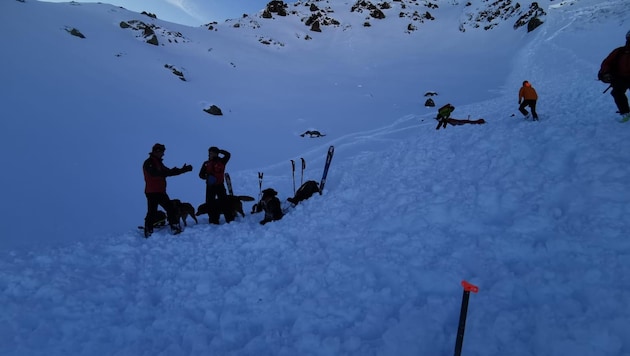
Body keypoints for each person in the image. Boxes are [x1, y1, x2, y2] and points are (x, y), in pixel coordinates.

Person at [143, 143, 193, 238]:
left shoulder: (158, 162)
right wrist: (166, 172)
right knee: (152, 211)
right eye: (162, 152)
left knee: (170, 208)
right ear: (157, 151)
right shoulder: (149, 162)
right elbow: (155, 173)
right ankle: (149, 230)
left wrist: (183, 170)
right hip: (152, 192)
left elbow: (168, 172)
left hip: (160, 191)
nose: (163, 154)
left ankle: (174, 227)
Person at [598, 30, 630, 122]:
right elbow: (607, 63)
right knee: (617, 93)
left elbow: (606, 63)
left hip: (620, 78)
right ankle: (625, 113)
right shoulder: (619, 52)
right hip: (620, 78)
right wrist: (606, 72)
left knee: (617, 93)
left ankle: (625, 113)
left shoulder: (619, 51)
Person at [198, 146, 232, 224]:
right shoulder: (206, 163)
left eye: (213, 153)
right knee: (210, 203)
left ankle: (229, 218)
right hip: (210, 186)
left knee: (224, 202)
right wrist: (207, 177)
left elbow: (228, 155)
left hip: (220, 185)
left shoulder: (222, 161)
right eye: (210, 153)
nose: (211, 154)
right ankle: (213, 220)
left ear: (217, 154)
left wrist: (220, 151)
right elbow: (200, 175)